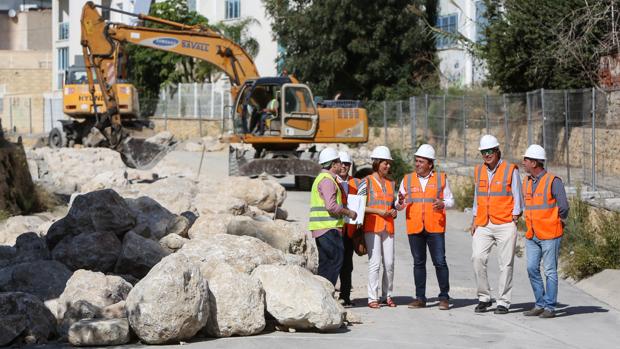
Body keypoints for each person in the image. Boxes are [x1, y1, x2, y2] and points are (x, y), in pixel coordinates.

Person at [396, 144, 454, 310]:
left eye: (421, 161)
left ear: (430, 164)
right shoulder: (407, 179)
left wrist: (443, 203)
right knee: (418, 263)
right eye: (416, 161)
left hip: (435, 227)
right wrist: (399, 202)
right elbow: (399, 204)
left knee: (440, 262)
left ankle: (444, 298)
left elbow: (451, 201)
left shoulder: (441, 179)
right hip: (415, 227)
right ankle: (420, 298)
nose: (417, 164)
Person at [470, 134, 523, 314]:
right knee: (478, 258)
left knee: (506, 264)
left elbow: (518, 194)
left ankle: (503, 301)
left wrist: (516, 216)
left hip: (505, 222)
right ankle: (484, 297)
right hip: (483, 222)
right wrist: (474, 219)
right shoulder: (478, 171)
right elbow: (477, 197)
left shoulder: (510, 170)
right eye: (483, 152)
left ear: (497, 151)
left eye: (490, 151)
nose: (487, 155)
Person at [521, 144, 569, 319]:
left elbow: (563, 207)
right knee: (531, 268)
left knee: (550, 271)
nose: (523, 163)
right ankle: (540, 304)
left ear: (534, 163)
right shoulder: (526, 181)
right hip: (532, 234)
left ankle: (550, 307)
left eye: (525, 160)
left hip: (550, 234)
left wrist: (558, 222)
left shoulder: (553, 181)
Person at [308, 147, 357, 286]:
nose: (341, 165)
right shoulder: (327, 180)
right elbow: (331, 206)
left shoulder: (321, 178)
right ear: (332, 164)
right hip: (328, 228)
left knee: (326, 263)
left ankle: (322, 294)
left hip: (322, 228)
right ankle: (327, 293)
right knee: (335, 261)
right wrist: (349, 212)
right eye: (338, 162)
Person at [360, 146, 398, 309]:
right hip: (372, 226)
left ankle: (387, 295)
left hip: (388, 226)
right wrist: (378, 211)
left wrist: (394, 211)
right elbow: (359, 207)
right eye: (385, 163)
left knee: (389, 263)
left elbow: (391, 204)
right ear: (376, 163)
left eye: (389, 163)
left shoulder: (391, 183)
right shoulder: (365, 181)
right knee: (375, 263)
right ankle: (372, 297)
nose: (388, 166)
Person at [336, 151, 361, 306]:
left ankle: (345, 296)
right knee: (334, 262)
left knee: (347, 264)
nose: (344, 167)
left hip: (350, 229)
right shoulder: (332, 180)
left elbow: (362, 203)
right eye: (342, 164)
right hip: (335, 227)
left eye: (347, 164)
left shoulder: (357, 182)